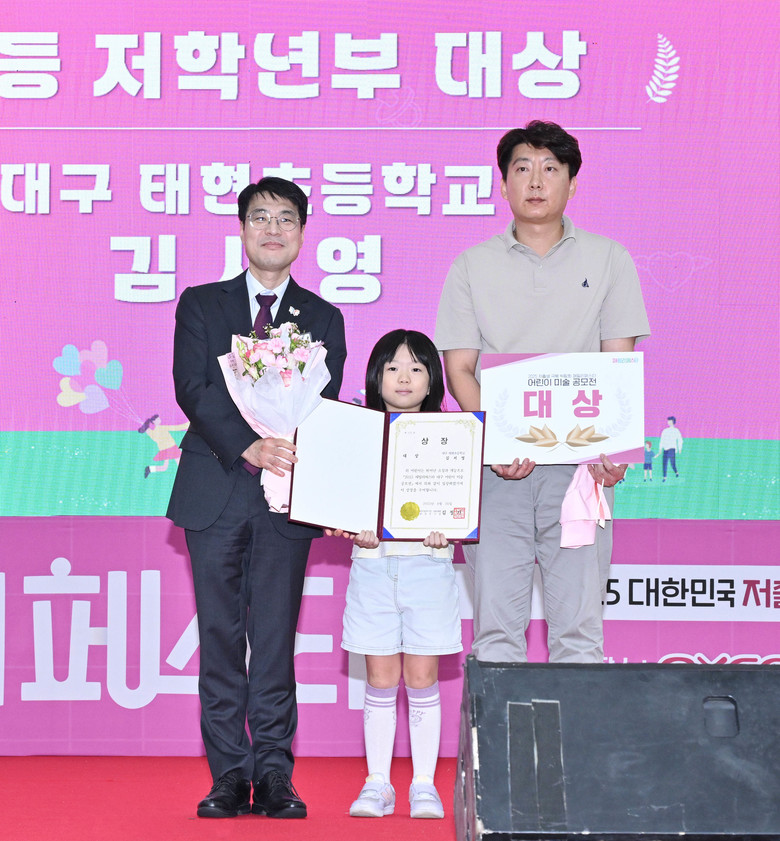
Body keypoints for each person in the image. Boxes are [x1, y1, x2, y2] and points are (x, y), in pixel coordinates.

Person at [435, 120, 650, 664]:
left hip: (581, 472)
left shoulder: (609, 259)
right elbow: (460, 370)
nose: (536, 181)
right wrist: (499, 444)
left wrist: (612, 451)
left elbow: (618, 365)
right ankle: (498, 729)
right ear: (503, 183)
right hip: (497, 473)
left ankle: (578, 728)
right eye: (522, 168)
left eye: (551, 168)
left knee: (579, 634)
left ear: (572, 184)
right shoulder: (470, 266)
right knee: (495, 636)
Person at [167, 176, 347, 819]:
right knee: (220, 637)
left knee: (273, 639)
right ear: (242, 230)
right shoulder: (201, 303)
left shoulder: (323, 317)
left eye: (286, 218)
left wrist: (286, 453)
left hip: (287, 495)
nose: (273, 229)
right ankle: (227, 775)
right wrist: (249, 446)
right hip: (216, 488)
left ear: (302, 232)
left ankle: (273, 774)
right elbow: (192, 386)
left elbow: (324, 405)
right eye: (261, 217)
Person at [334, 330, 462, 820]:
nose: (403, 378)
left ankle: (424, 785)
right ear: (375, 377)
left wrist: (449, 527)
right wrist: (349, 526)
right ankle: (378, 783)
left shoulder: (454, 437)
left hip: (429, 567)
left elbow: (461, 504)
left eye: (415, 367)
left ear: (432, 379)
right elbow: (340, 498)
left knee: (423, 677)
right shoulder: (357, 435)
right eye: (392, 368)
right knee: (381, 678)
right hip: (372, 568)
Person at [659, 416, 683, 481]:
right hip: (665, 449)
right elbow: (662, 440)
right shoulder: (665, 430)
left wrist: (680, 448)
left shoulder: (676, 430)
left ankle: (676, 472)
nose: (668, 422)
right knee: (664, 462)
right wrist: (660, 448)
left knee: (672, 463)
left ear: (673, 422)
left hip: (672, 448)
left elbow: (680, 439)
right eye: (668, 421)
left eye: (670, 421)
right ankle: (664, 477)